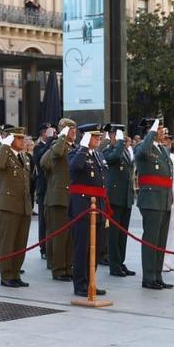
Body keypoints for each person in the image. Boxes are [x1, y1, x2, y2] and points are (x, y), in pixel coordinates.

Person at [68, 124, 107, 298]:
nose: (98, 139)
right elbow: (75, 168)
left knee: (96, 248)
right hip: (82, 206)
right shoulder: (75, 153)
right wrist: (83, 147)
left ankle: (91, 281)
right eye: (95, 136)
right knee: (82, 248)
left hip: (98, 206)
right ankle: (80, 284)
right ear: (85, 138)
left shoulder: (98, 155)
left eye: (99, 137)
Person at [134, 118, 173, 290]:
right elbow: (142, 152)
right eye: (159, 128)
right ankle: (148, 277)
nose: (162, 132)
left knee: (160, 240)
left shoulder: (162, 150)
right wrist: (151, 132)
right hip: (151, 200)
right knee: (151, 240)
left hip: (163, 199)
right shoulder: (143, 147)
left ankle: (157, 275)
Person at [0, 126, 32, 288]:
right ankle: (6, 274)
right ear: (11, 139)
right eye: (19, 138)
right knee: (7, 241)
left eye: (23, 138)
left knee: (20, 242)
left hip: (23, 205)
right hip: (8, 205)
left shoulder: (23, 156)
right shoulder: (3, 154)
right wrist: (5, 145)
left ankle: (15, 273)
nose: (23, 141)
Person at [40, 118, 76, 283]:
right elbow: (47, 160)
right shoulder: (56, 147)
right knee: (59, 237)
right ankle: (58, 269)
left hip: (70, 198)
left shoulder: (72, 148)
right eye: (71, 129)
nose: (74, 132)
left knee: (69, 238)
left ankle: (68, 267)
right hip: (57, 198)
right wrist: (61, 136)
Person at [103, 124, 135, 278]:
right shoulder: (108, 150)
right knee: (114, 234)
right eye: (117, 135)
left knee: (123, 234)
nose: (121, 138)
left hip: (126, 197)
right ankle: (114, 264)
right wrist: (121, 143)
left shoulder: (125, 150)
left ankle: (120, 262)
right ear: (111, 136)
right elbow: (114, 158)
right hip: (114, 198)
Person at [31, 124, 54, 257]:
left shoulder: (53, 144)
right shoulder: (38, 147)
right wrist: (50, 141)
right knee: (44, 220)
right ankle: (43, 248)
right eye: (50, 133)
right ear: (44, 134)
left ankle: (51, 246)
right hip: (43, 188)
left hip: (52, 187)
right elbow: (40, 159)